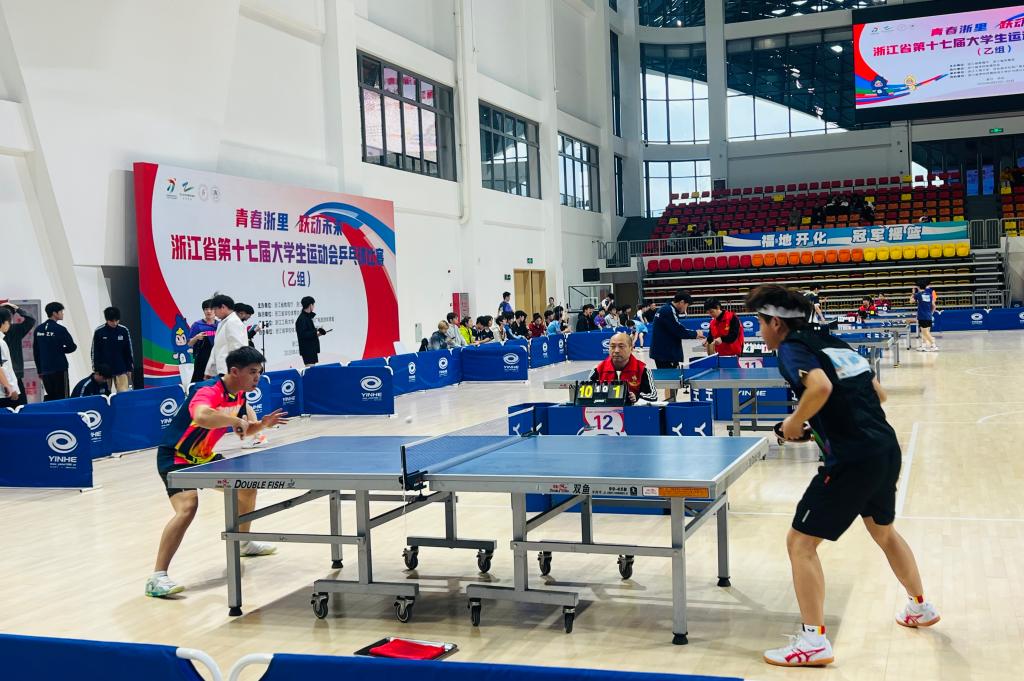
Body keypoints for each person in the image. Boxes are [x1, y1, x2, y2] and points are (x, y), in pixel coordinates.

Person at [746, 285, 937, 668]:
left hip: (852, 459)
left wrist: (794, 421)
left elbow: (821, 387)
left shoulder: (792, 349)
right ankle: (920, 606)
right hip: (884, 448)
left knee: (800, 543)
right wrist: (821, 424)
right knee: (884, 532)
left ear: (777, 323)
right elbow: (877, 394)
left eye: (760, 323)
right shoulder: (836, 344)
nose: (759, 331)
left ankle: (813, 641)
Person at [147, 346, 289, 598]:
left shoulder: (239, 396)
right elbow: (202, 416)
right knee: (188, 507)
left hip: (204, 457)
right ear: (234, 371)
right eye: (252, 372)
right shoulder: (209, 390)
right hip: (176, 456)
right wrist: (235, 420)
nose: (257, 377)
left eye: (259, 372)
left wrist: (261, 425)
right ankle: (157, 577)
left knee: (246, 487)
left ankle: (243, 542)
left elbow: (244, 430)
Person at [649, 291, 704, 401]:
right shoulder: (669, 311)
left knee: (670, 381)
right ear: (682, 302)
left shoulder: (666, 309)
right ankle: (670, 404)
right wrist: (695, 334)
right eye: (687, 305)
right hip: (666, 353)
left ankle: (670, 402)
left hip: (662, 352)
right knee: (671, 381)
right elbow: (678, 330)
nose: (686, 309)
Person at [588, 332, 657, 404]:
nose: (616, 351)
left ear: (631, 349)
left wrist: (637, 397)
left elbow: (653, 396)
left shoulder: (643, 370)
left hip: (632, 409)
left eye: (621, 346)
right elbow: (587, 397)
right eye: (612, 346)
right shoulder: (597, 369)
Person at [33, 301, 77, 401]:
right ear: (54, 313)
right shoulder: (60, 329)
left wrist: (39, 370)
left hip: (45, 370)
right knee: (63, 398)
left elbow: (36, 351)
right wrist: (60, 350)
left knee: (51, 398)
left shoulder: (38, 329)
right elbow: (72, 347)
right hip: (59, 368)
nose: (62, 314)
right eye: (61, 311)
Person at [91, 306, 134, 393]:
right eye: (112, 321)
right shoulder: (99, 331)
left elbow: (128, 350)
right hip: (104, 371)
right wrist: (96, 369)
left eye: (117, 320)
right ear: (107, 320)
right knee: (105, 394)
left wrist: (129, 368)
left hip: (121, 369)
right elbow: (95, 352)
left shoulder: (124, 330)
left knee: (124, 394)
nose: (115, 323)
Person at [1, 301, 35, 405]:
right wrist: (18, 309)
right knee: (19, 405)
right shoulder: (17, 329)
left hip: (13, 373)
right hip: (12, 373)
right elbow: (31, 320)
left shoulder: (16, 329)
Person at [205, 294, 247, 378]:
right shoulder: (223, 322)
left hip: (230, 371)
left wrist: (236, 371)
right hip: (223, 370)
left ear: (223, 307)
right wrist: (209, 371)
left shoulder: (233, 322)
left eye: (215, 309)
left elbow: (238, 347)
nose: (214, 313)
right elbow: (217, 348)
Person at [188, 299, 218, 384]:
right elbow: (189, 343)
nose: (209, 311)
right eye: (206, 309)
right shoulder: (197, 325)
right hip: (202, 359)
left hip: (217, 359)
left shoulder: (220, 325)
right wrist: (196, 337)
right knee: (199, 382)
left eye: (211, 309)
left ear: (215, 310)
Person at [295, 296, 327, 367]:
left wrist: (319, 334)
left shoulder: (307, 317)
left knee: (312, 369)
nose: (314, 306)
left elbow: (309, 334)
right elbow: (303, 335)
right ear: (310, 305)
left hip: (311, 349)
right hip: (307, 350)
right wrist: (316, 331)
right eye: (313, 304)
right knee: (310, 370)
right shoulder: (302, 319)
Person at [0, 308, 21, 408]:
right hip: (4, 393)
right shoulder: (0, 343)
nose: (10, 324)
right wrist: (10, 388)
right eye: (9, 322)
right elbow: (2, 367)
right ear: (3, 322)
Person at [912, 279, 938, 352]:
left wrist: (913, 293)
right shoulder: (929, 295)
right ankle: (923, 346)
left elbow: (911, 301)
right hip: (929, 315)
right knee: (926, 332)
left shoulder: (918, 294)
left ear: (918, 287)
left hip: (922, 316)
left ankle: (933, 345)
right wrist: (931, 313)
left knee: (925, 332)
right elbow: (934, 306)